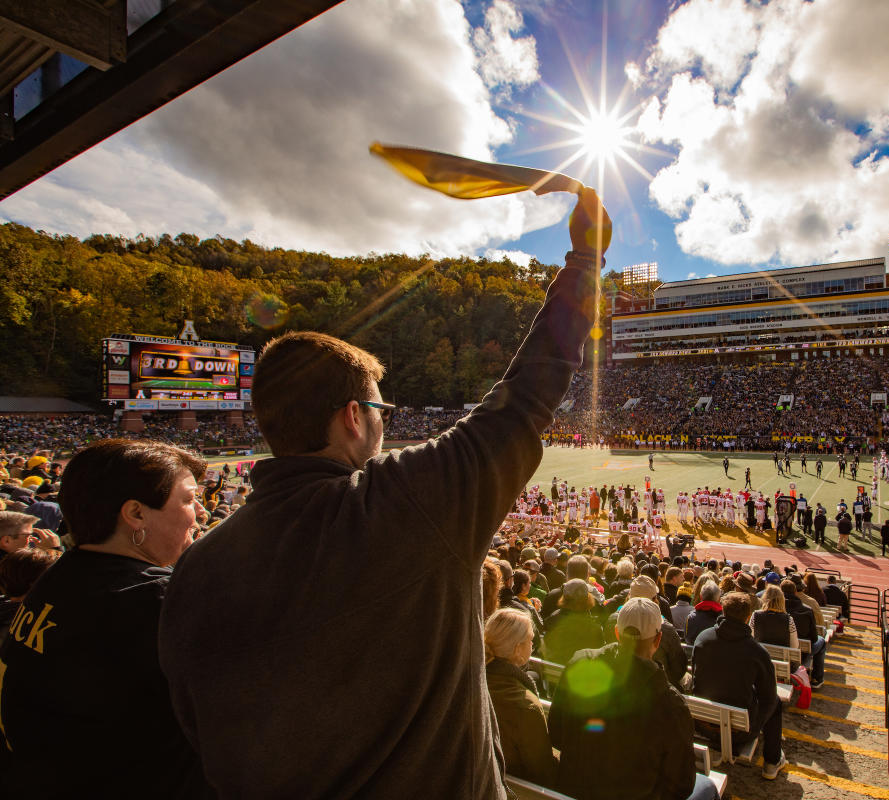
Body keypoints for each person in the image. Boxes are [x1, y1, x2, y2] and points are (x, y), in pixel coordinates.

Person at [158, 189, 612, 799]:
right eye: (380, 407)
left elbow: (193, 724)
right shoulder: (405, 502)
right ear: (352, 416)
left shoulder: (197, 565)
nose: (385, 421)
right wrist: (585, 260)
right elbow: (530, 392)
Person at [0, 439, 209, 798]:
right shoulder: (154, 601)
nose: (201, 512)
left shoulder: (61, 575)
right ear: (136, 514)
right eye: (188, 499)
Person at [549, 597, 717, 800]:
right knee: (708, 786)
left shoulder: (580, 663)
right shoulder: (670, 703)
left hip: (574, 790)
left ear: (617, 633)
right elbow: (681, 784)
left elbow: (557, 734)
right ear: (657, 640)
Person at [692, 592, 788, 781]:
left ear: (723, 611)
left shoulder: (703, 639)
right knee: (776, 702)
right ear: (748, 616)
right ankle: (772, 761)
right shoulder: (757, 652)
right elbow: (768, 698)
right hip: (740, 732)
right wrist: (755, 724)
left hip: (702, 723)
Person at [484, 608, 556, 787]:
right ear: (517, 649)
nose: (533, 645)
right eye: (531, 640)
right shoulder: (526, 706)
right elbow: (542, 769)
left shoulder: (473, 680)